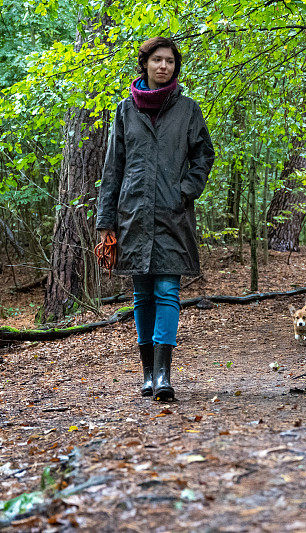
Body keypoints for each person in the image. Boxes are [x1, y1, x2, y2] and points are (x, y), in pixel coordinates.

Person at [96, 36, 215, 402]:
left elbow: (204, 156)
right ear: (144, 64)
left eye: (170, 61)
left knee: (167, 291)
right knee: (142, 294)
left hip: (171, 215)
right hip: (132, 215)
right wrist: (105, 220)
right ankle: (147, 374)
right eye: (157, 60)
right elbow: (112, 168)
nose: (164, 66)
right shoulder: (124, 111)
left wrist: (184, 192)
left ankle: (164, 374)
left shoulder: (188, 110)